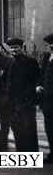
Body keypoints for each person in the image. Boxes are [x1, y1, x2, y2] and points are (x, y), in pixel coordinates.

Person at [3, 37, 42, 152]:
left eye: (16, 48)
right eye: (11, 48)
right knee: (16, 127)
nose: (14, 50)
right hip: (12, 102)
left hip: (26, 101)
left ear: (22, 48)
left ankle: (32, 152)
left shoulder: (30, 62)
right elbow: (4, 80)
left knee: (28, 127)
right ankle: (20, 151)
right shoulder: (9, 62)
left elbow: (38, 78)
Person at [40, 33, 53, 163]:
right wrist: (38, 85)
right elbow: (41, 74)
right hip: (47, 100)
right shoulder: (46, 57)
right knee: (49, 127)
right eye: (50, 44)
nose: (52, 46)